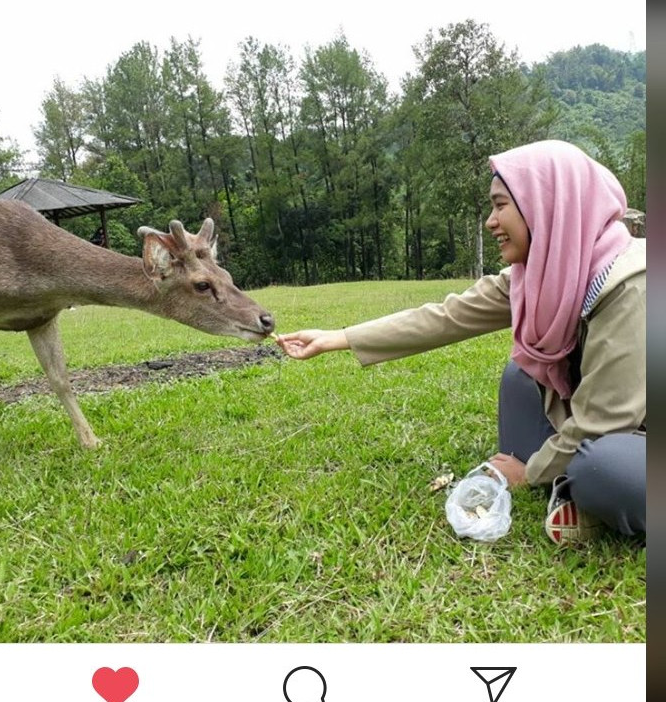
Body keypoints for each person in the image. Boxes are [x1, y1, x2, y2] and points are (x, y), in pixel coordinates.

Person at [276, 140, 646, 545]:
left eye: (501, 205)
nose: (491, 221)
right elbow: (445, 316)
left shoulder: (632, 286)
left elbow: (604, 422)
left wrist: (530, 472)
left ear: (547, 205)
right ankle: (575, 492)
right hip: (621, 428)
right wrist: (337, 338)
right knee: (520, 376)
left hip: (634, 432)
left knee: (602, 467)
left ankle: (581, 491)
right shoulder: (539, 276)